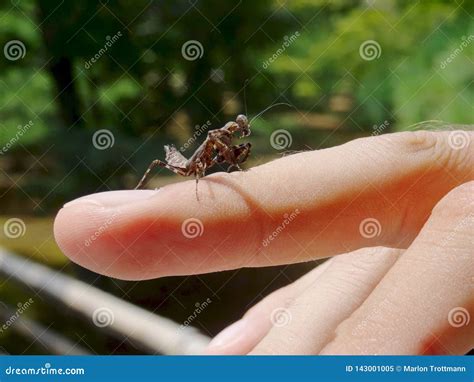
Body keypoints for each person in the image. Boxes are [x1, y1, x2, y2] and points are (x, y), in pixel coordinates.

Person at [54, 130, 473, 355]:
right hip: (187, 174)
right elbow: (211, 161)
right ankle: (147, 194)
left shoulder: (224, 145)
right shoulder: (210, 145)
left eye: (239, 132)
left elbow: (230, 160)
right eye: (235, 131)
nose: (239, 135)